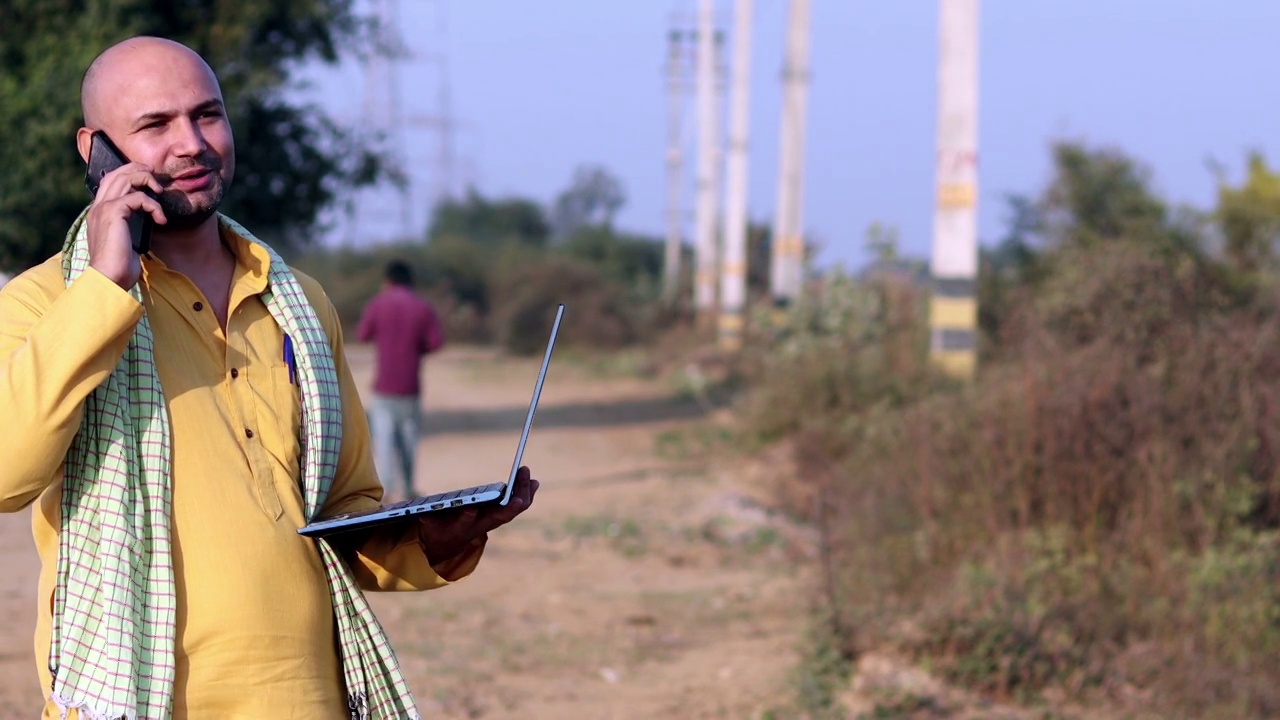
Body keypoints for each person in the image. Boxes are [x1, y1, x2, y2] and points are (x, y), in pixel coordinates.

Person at [0, 36, 539, 720]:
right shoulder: (46, 302)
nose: (192, 143)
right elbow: (5, 477)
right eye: (154, 125)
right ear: (95, 150)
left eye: (208, 115)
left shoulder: (299, 302)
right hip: (133, 703)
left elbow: (343, 516)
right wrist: (105, 289)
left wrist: (441, 539)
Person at [357, 260, 445, 502]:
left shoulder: (378, 304)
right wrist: (415, 348)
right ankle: (407, 490)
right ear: (410, 281)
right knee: (408, 441)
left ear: (387, 281)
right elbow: (435, 342)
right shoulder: (421, 307)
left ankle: (385, 491)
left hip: (383, 388)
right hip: (409, 388)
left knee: (384, 443)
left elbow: (363, 335)